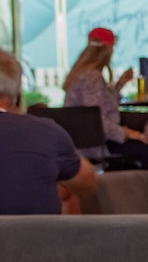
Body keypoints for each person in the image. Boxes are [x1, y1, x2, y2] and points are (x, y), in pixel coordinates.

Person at [63, 27, 148, 170]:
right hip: (99, 146)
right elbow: (96, 119)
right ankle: (130, 186)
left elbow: (99, 107)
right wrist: (127, 133)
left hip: (89, 143)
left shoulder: (80, 75)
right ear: (108, 50)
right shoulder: (91, 78)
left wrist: (119, 85)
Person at [0, 50, 96, 214]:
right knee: (67, 192)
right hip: (36, 237)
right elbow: (87, 184)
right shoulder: (46, 132)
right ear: (16, 94)